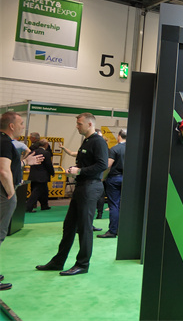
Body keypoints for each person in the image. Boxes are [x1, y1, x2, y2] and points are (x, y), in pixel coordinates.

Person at [36, 113, 108, 276]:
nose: (77, 126)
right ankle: (58, 262)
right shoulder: (87, 141)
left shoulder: (98, 142)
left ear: (90, 124)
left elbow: (102, 165)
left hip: (90, 187)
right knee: (69, 226)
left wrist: (80, 171)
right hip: (82, 186)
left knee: (84, 228)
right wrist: (74, 171)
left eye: (79, 124)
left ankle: (82, 264)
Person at [1, 111, 44, 290]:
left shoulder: (4, 142)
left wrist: (26, 162)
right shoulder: (5, 142)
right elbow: (3, 171)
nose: (22, 127)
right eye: (20, 124)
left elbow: (9, 166)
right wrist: (11, 193)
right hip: (3, 194)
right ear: (11, 126)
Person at [98, 129, 126, 239]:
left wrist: (102, 178)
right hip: (127, 180)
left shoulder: (115, 149)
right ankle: (123, 229)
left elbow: (108, 165)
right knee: (124, 205)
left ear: (119, 136)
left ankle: (113, 230)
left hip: (114, 179)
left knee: (114, 205)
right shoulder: (132, 149)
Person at [25, 140, 55, 212]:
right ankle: (28, 207)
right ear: (46, 145)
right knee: (36, 192)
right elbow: (48, 165)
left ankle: (44, 205)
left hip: (33, 175)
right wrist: (52, 173)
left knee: (44, 190)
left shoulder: (33, 152)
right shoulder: (46, 153)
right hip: (42, 176)